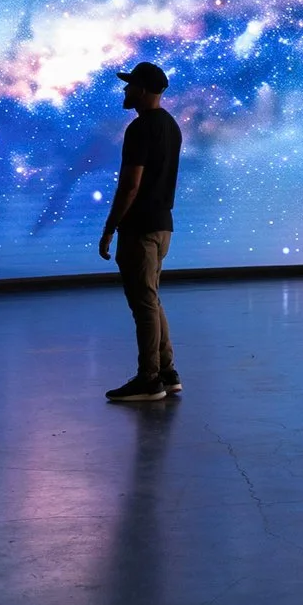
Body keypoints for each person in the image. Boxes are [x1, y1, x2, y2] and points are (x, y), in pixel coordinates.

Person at [98, 62, 183, 403]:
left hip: (140, 227)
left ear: (144, 90)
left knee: (144, 304)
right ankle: (167, 372)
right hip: (162, 225)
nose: (125, 90)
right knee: (151, 299)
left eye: (130, 85)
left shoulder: (140, 128)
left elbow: (130, 186)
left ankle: (149, 378)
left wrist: (109, 228)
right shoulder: (171, 126)